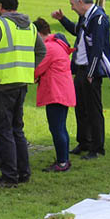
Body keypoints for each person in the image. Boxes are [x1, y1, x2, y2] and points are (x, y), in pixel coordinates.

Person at [0, 0, 46, 188]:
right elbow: (41, 51)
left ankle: (9, 176)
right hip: (21, 84)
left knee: (2, 130)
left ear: (0, 6)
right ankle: (23, 173)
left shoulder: (1, 24)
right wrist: (28, 70)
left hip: (3, 85)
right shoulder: (30, 27)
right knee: (17, 128)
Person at [52, 0, 110, 159]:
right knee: (80, 107)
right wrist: (63, 19)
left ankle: (97, 147)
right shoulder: (85, 17)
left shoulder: (98, 19)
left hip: (91, 71)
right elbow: (77, 32)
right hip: (80, 68)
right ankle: (84, 142)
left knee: (93, 109)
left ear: (80, 2)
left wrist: (91, 73)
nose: (71, 7)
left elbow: (98, 49)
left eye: (72, 4)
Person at [33, 17, 76, 172]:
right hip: (62, 91)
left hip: (56, 93)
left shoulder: (48, 48)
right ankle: (63, 159)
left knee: (57, 128)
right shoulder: (56, 45)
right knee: (60, 127)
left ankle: (62, 162)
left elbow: (37, 69)